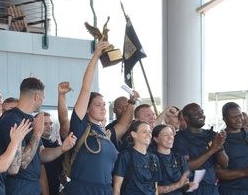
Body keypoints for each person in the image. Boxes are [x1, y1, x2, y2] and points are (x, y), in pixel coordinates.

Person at [64, 39, 138, 195]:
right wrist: (96, 55)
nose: (103, 107)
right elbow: (86, 89)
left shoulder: (106, 134)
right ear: (87, 109)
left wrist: (131, 102)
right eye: (97, 104)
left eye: (104, 104)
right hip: (82, 189)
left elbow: (124, 125)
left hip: (105, 190)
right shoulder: (80, 127)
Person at [0, 77, 77, 195]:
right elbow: (22, 162)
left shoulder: (29, 119)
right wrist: (37, 133)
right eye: (43, 98)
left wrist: (62, 149)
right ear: (36, 96)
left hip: (32, 184)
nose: (42, 101)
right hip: (18, 185)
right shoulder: (12, 120)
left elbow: (40, 155)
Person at [172, 103, 228, 195]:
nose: (201, 115)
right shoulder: (179, 138)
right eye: (196, 113)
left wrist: (220, 147)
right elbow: (186, 166)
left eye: (201, 112)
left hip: (212, 188)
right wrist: (211, 151)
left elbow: (225, 164)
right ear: (186, 118)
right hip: (192, 189)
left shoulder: (211, 135)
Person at [113, 120, 161, 195]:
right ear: (134, 134)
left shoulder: (154, 159)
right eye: (145, 132)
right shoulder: (125, 155)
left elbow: (155, 187)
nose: (149, 135)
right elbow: (117, 187)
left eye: (150, 132)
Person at [215, 102, 248, 194]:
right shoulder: (219, 140)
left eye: (240, 116)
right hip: (230, 190)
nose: (239, 119)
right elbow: (217, 172)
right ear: (224, 119)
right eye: (233, 117)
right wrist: (244, 172)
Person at [151, 125, 198, 194]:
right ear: (156, 139)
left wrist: (189, 186)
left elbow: (185, 183)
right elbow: (152, 190)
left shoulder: (179, 158)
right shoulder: (152, 159)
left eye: (171, 134)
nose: (170, 138)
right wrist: (178, 185)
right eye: (165, 135)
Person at [40, 112, 66, 195]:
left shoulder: (57, 146)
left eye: (50, 123)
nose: (49, 126)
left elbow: (61, 172)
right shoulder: (35, 144)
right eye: (45, 124)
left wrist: (66, 188)